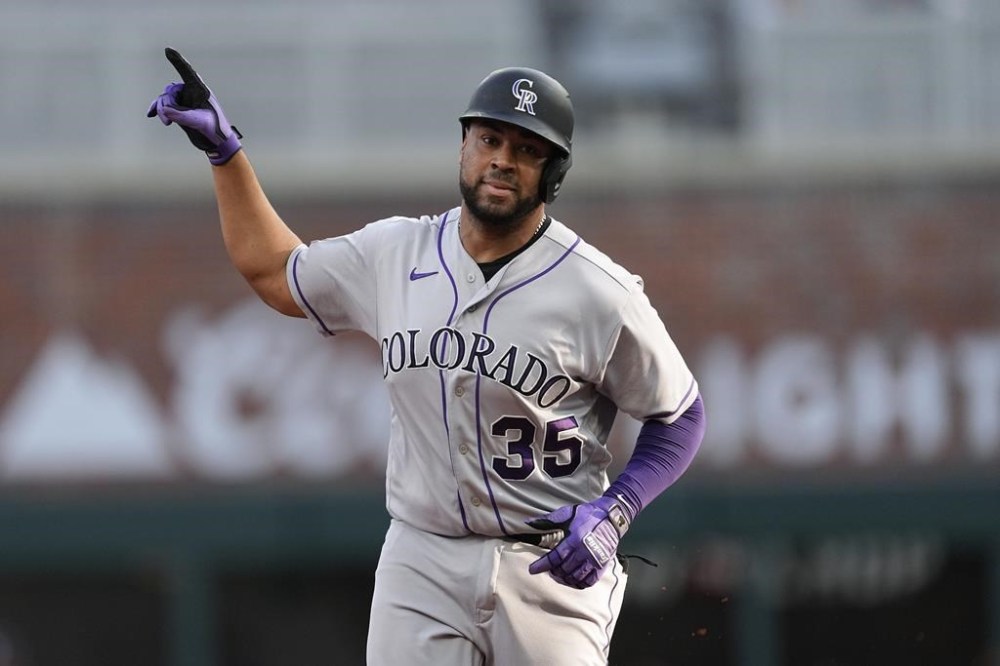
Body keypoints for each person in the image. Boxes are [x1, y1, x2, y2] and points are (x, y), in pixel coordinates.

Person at [149, 48, 706, 666]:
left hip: (547, 564)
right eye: (490, 138)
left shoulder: (599, 291)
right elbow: (276, 272)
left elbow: (680, 416)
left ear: (553, 173)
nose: (502, 159)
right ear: (464, 145)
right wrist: (226, 158)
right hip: (423, 556)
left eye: (527, 149)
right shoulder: (396, 252)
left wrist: (616, 511)